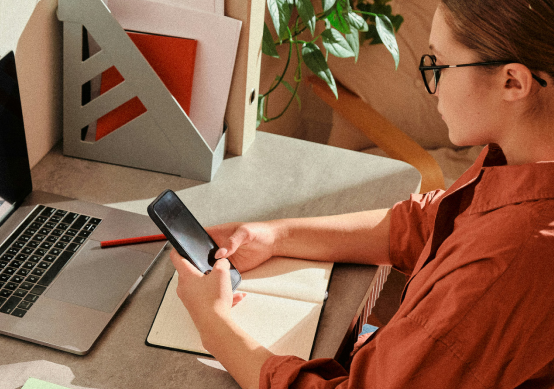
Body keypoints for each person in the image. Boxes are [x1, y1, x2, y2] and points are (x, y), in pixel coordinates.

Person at [169, 0, 554, 387]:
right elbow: (431, 221)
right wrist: (275, 236)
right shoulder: (523, 159)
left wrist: (213, 324)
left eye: (440, 64)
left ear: (513, 82)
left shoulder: (504, 264)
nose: (431, 84)